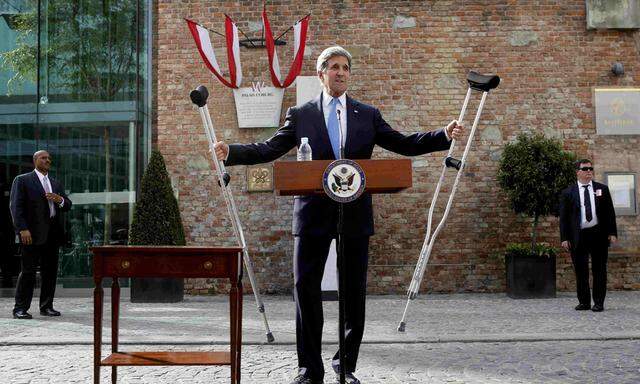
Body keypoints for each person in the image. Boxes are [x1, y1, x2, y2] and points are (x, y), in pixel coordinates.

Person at [214, 46, 464, 384]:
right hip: (312, 214)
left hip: (355, 215)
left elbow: (403, 143)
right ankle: (309, 369)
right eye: (333, 67)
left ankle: (345, 367)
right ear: (321, 74)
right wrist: (231, 152)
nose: (341, 72)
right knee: (305, 290)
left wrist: (442, 136)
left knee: (353, 292)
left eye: (345, 67)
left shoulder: (368, 114)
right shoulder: (301, 114)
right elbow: (271, 148)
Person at [9, 150, 72, 319]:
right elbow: (16, 207)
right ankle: (20, 309)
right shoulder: (22, 180)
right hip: (31, 233)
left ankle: (46, 306)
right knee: (28, 272)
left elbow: (68, 205)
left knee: (50, 272)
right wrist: (22, 229)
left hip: (52, 234)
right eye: (44, 158)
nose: (47, 160)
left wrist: (60, 200)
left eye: (49, 158)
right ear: (35, 160)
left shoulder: (55, 183)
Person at [559, 159, 617, 312]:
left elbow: (609, 213)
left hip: (598, 234)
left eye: (591, 169)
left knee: (599, 270)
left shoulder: (602, 189)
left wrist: (612, 232)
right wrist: (564, 238)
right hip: (578, 236)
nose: (589, 171)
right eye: (585, 169)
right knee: (581, 270)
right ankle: (584, 302)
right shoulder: (568, 192)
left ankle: (598, 303)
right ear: (578, 172)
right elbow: (564, 217)